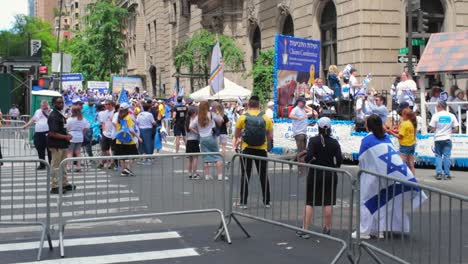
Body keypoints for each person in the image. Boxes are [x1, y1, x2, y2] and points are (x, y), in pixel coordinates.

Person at [354, 114, 426, 239]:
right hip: (384, 174)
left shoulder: (367, 140)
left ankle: (364, 231)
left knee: (366, 201)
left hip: (370, 175)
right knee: (381, 202)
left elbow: (362, 159)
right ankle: (378, 230)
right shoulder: (386, 137)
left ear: (368, 126)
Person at [297, 117, 342, 238]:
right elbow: (339, 160)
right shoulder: (334, 142)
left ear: (319, 127)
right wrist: (335, 166)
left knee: (310, 201)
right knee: (328, 201)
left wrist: (309, 159)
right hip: (330, 173)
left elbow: (309, 156)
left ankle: (305, 229)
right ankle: (327, 228)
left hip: (315, 173)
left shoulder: (313, 140)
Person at [234, 96, 273, 209]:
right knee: (263, 176)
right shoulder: (266, 118)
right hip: (261, 150)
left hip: (247, 149)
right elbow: (270, 136)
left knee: (245, 175)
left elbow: (237, 135)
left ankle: (243, 202)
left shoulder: (242, 118)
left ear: (249, 105)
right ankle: (266, 201)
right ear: (259, 105)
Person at [47, 96, 76, 194]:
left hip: (62, 144)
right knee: (55, 166)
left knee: (63, 165)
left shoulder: (60, 115)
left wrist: (67, 135)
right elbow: (52, 133)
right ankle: (54, 186)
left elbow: (61, 129)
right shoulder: (53, 116)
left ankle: (64, 183)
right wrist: (65, 137)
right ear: (54, 104)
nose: (61, 104)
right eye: (59, 102)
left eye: (62, 102)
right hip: (56, 145)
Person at [189, 101, 224, 180]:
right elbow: (221, 120)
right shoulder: (211, 114)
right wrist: (217, 112)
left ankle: (207, 176)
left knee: (206, 157)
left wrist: (198, 132)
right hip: (212, 137)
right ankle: (220, 176)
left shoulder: (197, 117)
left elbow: (190, 127)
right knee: (217, 156)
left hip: (202, 138)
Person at [429, 101, 459, 180]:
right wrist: (449, 132)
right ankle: (447, 174)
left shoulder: (435, 115)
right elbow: (456, 129)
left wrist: (434, 130)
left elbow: (432, 128)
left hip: (438, 138)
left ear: (439, 106)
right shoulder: (451, 115)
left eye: (437, 106)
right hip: (447, 138)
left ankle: (439, 173)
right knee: (447, 156)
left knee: (438, 156)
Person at [113, 102, 141, 176]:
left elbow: (115, 125)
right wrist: (138, 137)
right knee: (133, 154)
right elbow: (131, 129)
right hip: (128, 139)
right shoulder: (128, 117)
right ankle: (128, 168)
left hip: (120, 139)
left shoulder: (117, 116)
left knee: (122, 156)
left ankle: (124, 170)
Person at [22, 100, 52, 169]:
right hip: (39, 133)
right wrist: (26, 125)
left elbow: (52, 119)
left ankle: (51, 164)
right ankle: (42, 165)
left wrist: (48, 110)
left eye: (45, 105)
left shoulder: (51, 111)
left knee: (49, 150)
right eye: (42, 105)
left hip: (48, 133)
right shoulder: (38, 111)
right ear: (40, 106)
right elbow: (33, 119)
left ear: (48, 105)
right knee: (40, 149)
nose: (44, 107)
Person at [388, 109, 417, 176]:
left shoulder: (404, 124)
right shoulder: (411, 123)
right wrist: (395, 131)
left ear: (405, 115)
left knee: (401, 162)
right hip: (411, 144)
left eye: (402, 115)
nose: (401, 116)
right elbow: (403, 132)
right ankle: (413, 177)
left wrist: (391, 132)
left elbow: (400, 136)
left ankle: (402, 177)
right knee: (411, 164)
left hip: (405, 145)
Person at [65, 106, 90, 172]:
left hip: (71, 135)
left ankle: (69, 167)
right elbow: (87, 127)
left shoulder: (70, 119)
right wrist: (82, 132)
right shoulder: (83, 119)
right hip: (80, 136)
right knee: (78, 151)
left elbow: (66, 127)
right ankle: (78, 166)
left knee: (70, 152)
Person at [289, 97, 314, 161]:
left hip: (303, 132)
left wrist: (309, 125)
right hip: (299, 133)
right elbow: (290, 116)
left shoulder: (302, 110)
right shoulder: (296, 109)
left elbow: (303, 121)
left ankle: (294, 161)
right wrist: (298, 118)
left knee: (303, 151)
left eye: (304, 103)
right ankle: (298, 163)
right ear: (299, 102)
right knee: (301, 151)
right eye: (303, 103)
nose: (304, 104)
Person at [97, 100, 115, 169]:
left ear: (111, 105)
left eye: (108, 104)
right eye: (105, 104)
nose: (106, 105)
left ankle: (111, 162)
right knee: (104, 149)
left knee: (112, 149)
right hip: (106, 133)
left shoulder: (114, 112)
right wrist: (104, 131)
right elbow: (103, 123)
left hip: (113, 133)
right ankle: (102, 162)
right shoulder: (103, 113)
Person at [186, 107, 201, 180]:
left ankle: (189, 173)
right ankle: (194, 174)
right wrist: (197, 132)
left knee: (190, 159)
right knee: (195, 158)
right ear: (193, 113)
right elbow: (190, 127)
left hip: (189, 140)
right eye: (195, 112)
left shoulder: (188, 120)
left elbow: (188, 129)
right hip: (194, 140)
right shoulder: (194, 120)